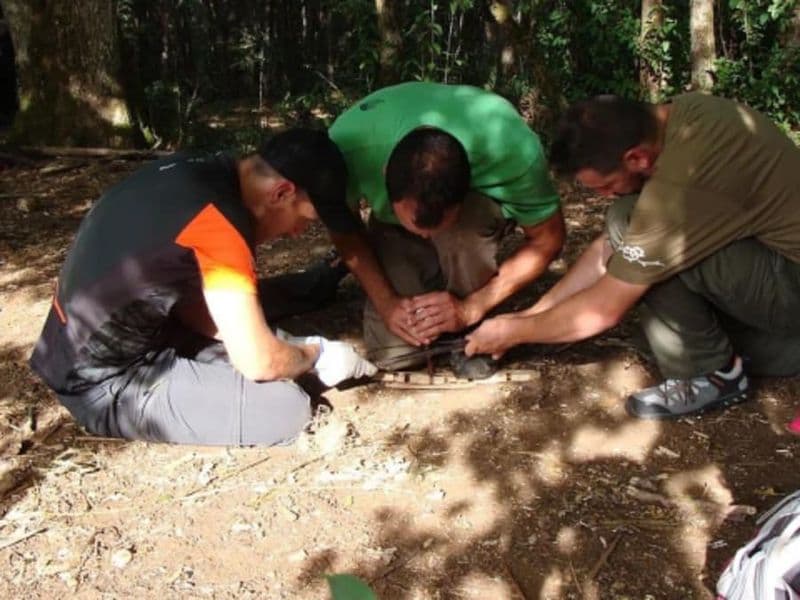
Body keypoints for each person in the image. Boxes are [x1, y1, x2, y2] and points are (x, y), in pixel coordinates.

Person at [29, 129, 376, 446]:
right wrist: (314, 354)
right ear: (281, 192)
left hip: (131, 325)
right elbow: (259, 363)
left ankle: (316, 285)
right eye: (305, 218)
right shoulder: (220, 225)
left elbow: (192, 296)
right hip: (101, 383)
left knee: (268, 330)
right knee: (288, 409)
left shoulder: (197, 167)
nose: (298, 232)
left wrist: (287, 347)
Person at [465, 92, 800, 419]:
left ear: (637, 158)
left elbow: (605, 309)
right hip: (772, 260)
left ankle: (713, 376)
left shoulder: (682, 185)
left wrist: (514, 333)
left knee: (630, 227)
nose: (604, 195)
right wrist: (528, 318)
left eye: (604, 185)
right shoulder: (689, 114)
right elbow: (608, 248)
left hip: (789, 279)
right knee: (626, 217)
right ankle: (773, 348)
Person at [326, 82, 565, 374]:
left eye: (436, 226)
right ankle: (430, 280)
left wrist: (472, 307)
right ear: (385, 174)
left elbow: (548, 239)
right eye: (415, 224)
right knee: (394, 354)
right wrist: (386, 303)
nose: (427, 235)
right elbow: (343, 229)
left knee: (463, 233)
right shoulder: (347, 146)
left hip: (471, 219)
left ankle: (470, 323)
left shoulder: (509, 145)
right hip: (389, 227)